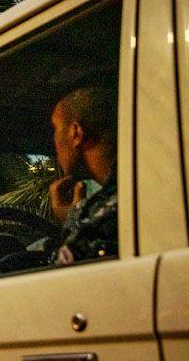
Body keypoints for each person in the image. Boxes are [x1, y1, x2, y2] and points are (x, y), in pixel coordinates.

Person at [47, 87, 118, 265]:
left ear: (76, 132)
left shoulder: (106, 212)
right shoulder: (135, 188)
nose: (54, 141)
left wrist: (73, 220)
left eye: (55, 130)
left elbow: (59, 278)